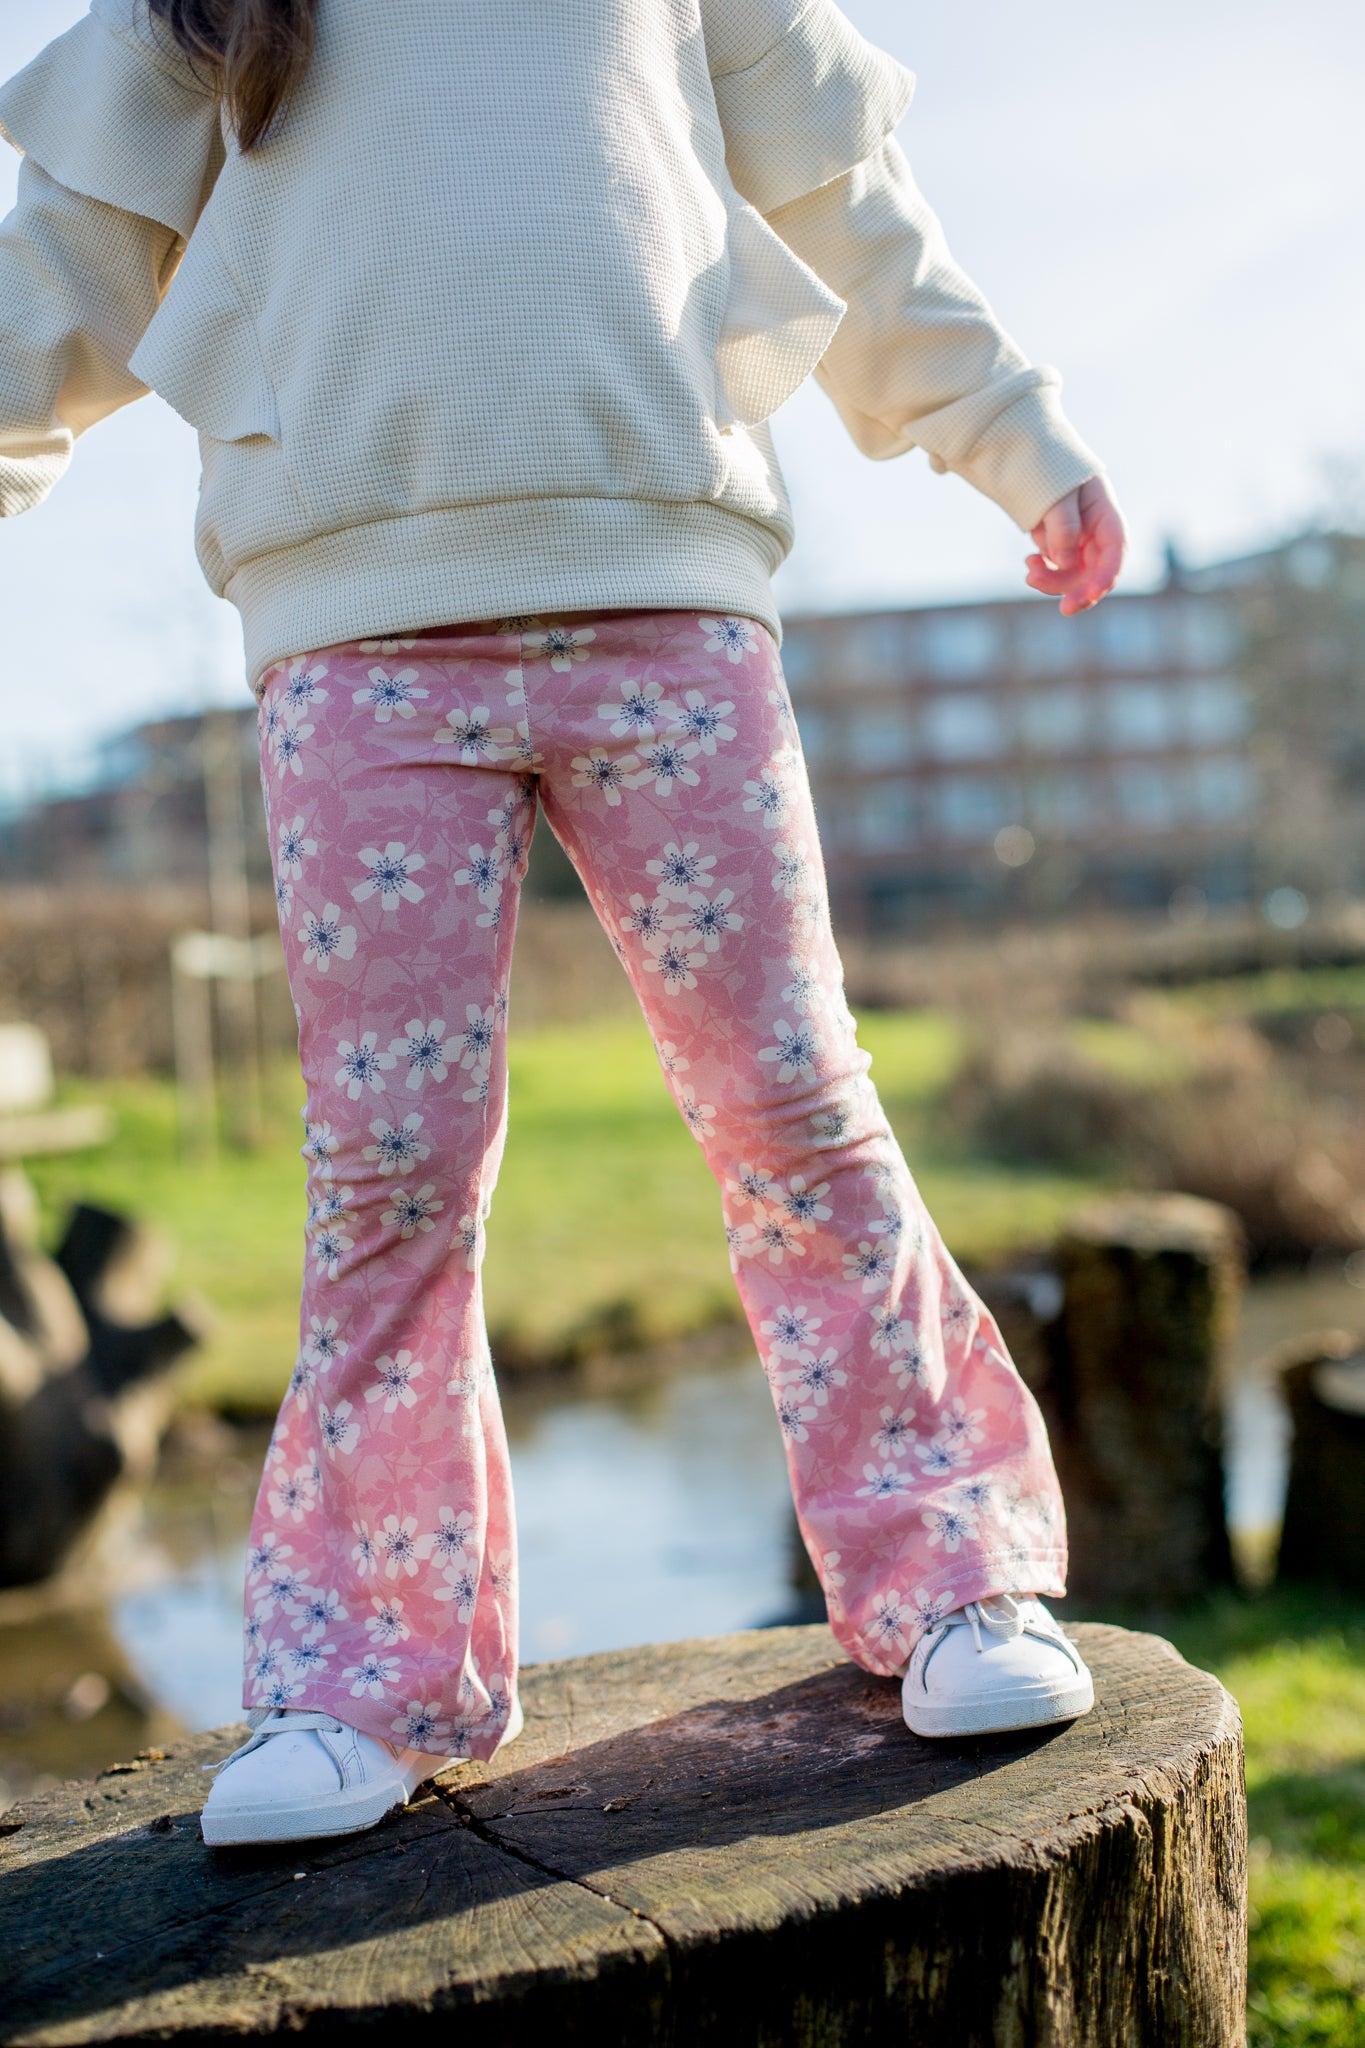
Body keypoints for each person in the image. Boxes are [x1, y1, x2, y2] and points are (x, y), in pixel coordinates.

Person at [0, 0, 1125, 1847]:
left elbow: (848, 201)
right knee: (390, 1171)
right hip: (356, 648)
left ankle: (947, 1576)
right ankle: (367, 1674)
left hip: (665, 603)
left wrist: (1010, 428)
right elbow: (63, 261)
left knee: (792, 1104)